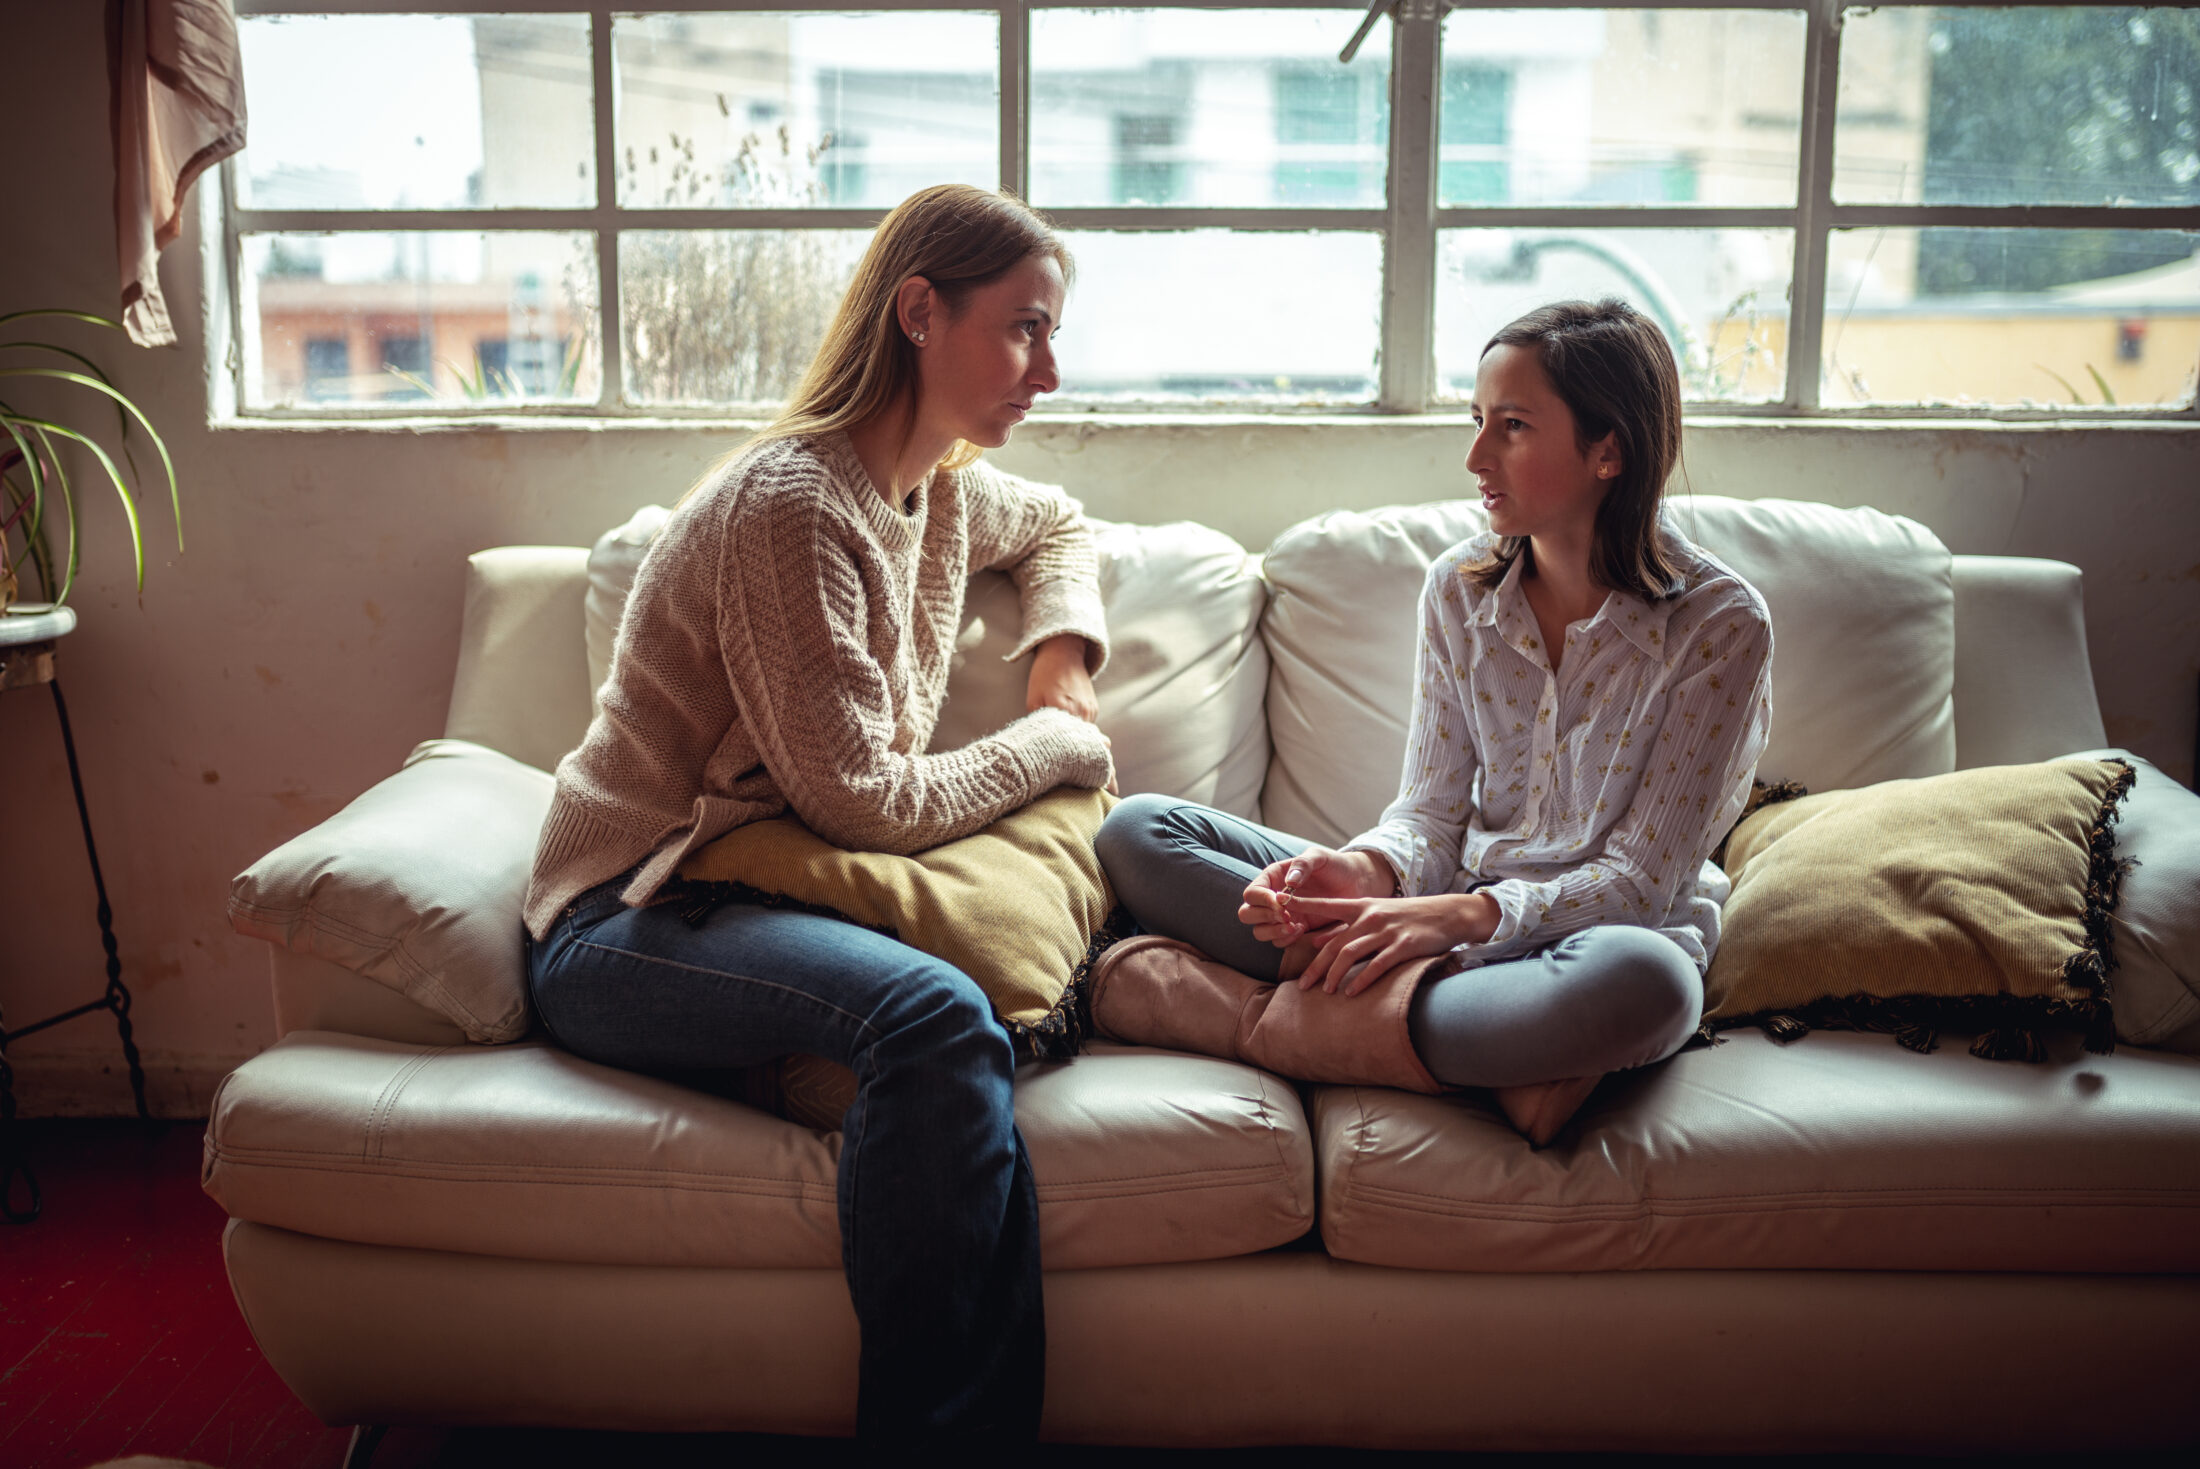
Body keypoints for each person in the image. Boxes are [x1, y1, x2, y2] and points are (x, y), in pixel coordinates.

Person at [521, 184, 1114, 1443]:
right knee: (938, 1016)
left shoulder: (939, 490)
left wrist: (1062, 652)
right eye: (1024, 330)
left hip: (757, 890)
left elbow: (1058, 521)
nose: (1048, 371)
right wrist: (1050, 744)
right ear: (918, 311)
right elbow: (868, 801)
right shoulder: (791, 505)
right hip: (627, 910)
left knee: (984, 1019)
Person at [1093, 299, 1774, 1143]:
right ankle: (1473, 1050)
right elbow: (1431, 812)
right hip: (1441, 917)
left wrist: (1453, 922)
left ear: (1610, 450)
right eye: (1477, 420)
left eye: (1513, 426)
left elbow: (1639, 883)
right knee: (1138, 831)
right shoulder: (1459, 589)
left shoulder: (1719, 626)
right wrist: (1364, 873)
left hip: (1590, 941)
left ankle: (1251, 1018)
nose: (1475, 456)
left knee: (1651, 986)